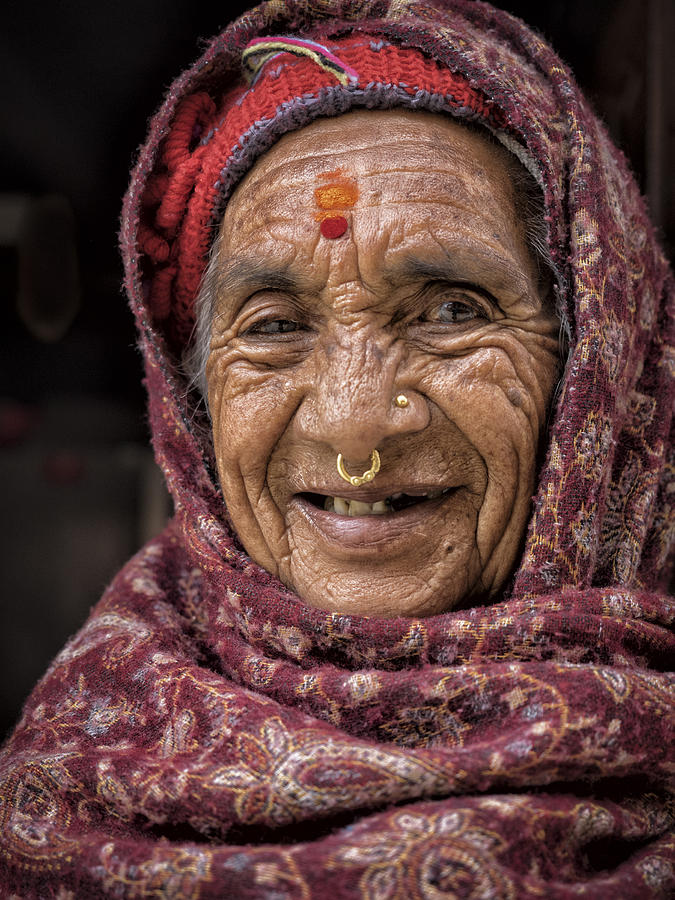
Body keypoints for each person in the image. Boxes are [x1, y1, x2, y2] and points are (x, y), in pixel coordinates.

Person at [1, 0, 672, 896]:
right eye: (274, 327)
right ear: (194, 407)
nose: (353, 427)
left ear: (599, 359)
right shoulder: (85, 771)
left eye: (449, 311)